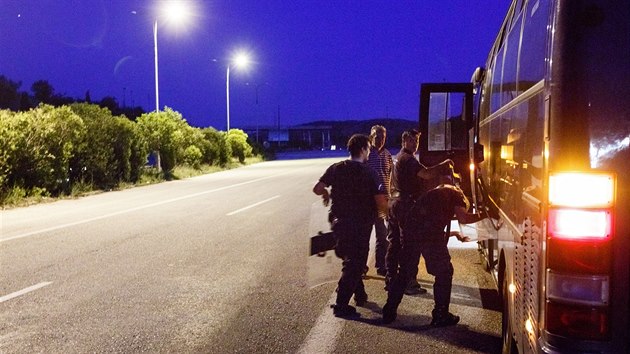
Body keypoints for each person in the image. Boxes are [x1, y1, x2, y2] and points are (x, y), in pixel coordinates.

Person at [382, 170, 485, 326]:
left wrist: (454, 233)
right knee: (444, 271)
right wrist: (486, 214)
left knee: (404, 273)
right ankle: (441, 314)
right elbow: (464, 218)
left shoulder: (435, 193)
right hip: (428, 236)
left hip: (411, 232)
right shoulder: (456, 194)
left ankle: (389, 310)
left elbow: (430, 221)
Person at [313, 134, 388, 318]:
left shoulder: (336, 168)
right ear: (363, 149)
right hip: (360, 225)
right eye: (368, 149)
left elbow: (317, 188)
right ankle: (341, 305)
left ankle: (360, 294)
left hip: (338, 224)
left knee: (350, 259)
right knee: (356, 263)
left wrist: (325, 195)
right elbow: (380, 201)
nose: (369, 152)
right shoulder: (369, 173)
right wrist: (389, 214)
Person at [385, 129, 452, 295]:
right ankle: (408, 282)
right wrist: (444, 166)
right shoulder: (408, 159)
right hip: (405, 206)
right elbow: (427, 174)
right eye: (412, 141)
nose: (415, 144)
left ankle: (391, 279)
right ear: (404, 141)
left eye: (417, 142)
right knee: (410, 245)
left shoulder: (399, 157)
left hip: (394, 203)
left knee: (395, 244)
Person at [365, 125, 393, 276]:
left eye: (383, 138)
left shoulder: (387, 154)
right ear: (371, 137)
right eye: (377, 137)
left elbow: (390, 176)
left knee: (382, 235)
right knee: (364, 235)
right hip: (369, 202)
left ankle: (381, 265)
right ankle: (361, 266)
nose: (380, 140)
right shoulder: (367, 155)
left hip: (384, 201)